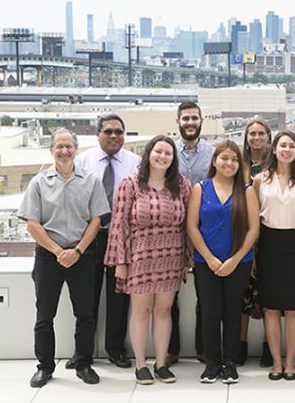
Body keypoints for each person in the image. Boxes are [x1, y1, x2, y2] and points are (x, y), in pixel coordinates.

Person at [18, 128, 110, 388]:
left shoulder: (91, 181)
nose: (64, 151)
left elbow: (96, 220)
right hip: (49, 257)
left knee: (86, 314)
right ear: (51, 150)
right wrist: (59, 252)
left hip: (83, 255)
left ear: (76, 149)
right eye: (59, 146)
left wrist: (78, 250)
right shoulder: (39, 182)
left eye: (69, 146)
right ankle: (44, 367)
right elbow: (33, 224)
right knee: (45, 315)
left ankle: (83, 364)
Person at [105, 135, 192, 385]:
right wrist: (120, 261)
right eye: (158, 152)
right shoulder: (130, 184)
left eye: (168, 153)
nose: (162, 156)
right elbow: (119, 225)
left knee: (164, 310)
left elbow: (188, 225)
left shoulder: (182, 185)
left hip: (171, 257)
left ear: (173, 158)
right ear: (149, 154)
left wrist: (187, 258)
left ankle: (161, 363)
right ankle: (141, 364)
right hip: (139, 257)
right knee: (141, 311)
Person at [63, 114, 140, 371]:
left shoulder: (135, 163)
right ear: (98, 134)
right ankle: (82, 352)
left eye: (119, 132)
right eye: (108, 131)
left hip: (121, 237)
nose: (114, 136)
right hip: (89, 237)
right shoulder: (83, 161)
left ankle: (116, 350)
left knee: (119, 297)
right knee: (86, 297)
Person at [187, 140, 260, 384]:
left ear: (240, 164)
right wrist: (209, 258)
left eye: (234, 159)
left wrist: (234, 259)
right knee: (209, 312)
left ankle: (229, 362)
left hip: (238, 263)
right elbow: (192, 227)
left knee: (232, 313)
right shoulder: (200, 188)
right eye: (224, 158)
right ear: (215, 161)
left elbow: (253, 230)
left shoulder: (247, 190)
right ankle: (211, 363)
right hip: (205, 262)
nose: (229, 163)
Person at [253, 130, 295, 380]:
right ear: (274, 149)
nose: (287, 150)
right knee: (270, 309)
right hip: (268, 243)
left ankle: (290, 362)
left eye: (292, 146)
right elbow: (254, 222)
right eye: (282, 145)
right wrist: (255, 257)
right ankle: (276, 362)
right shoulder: (260, 180)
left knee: (292, 309)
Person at [173, 101, 215, 366]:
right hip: (173, 230)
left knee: (205, 295)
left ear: (201, 121)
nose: (190, 123)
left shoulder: (213, 153)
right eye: (185, 119)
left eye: (194, 118)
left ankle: (204, 347)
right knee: (169, 294)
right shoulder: (167, 152)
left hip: (205, 231)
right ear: (178, 122)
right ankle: (171, 349)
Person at [237, 117, 273, 367]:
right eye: (252, 134)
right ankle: (240, 344)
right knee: (243, 294)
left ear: (269, 137)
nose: (257, 138)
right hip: (242, 235)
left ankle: (269, 347)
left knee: (270, 295)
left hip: (271, 237)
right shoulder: (238, 165)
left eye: (261, 133)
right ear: (246, 138)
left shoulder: (278, 164)